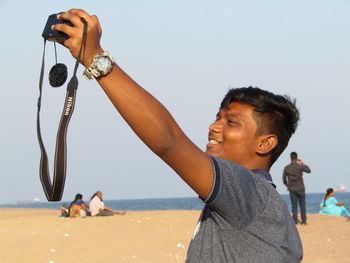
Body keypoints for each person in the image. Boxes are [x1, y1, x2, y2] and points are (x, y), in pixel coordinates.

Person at [53, 9, 303, 262]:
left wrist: (94, 56)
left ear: (265, 143)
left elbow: (169, 141)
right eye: (218, 117)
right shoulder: (265, 209)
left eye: (231, 122)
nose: (214, 127)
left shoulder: (249, 192)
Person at [283, 152, 311, 225]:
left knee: (294, 206)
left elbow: (284, 179)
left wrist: (287, 185)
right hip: (301, 188)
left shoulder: (287, 167)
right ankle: (304, 221)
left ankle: (295, 222)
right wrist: (302, 163)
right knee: (302, 205)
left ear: (290, 158)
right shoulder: (299, 166)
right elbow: (308, 170)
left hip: (292, 188)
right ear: (296, 158)